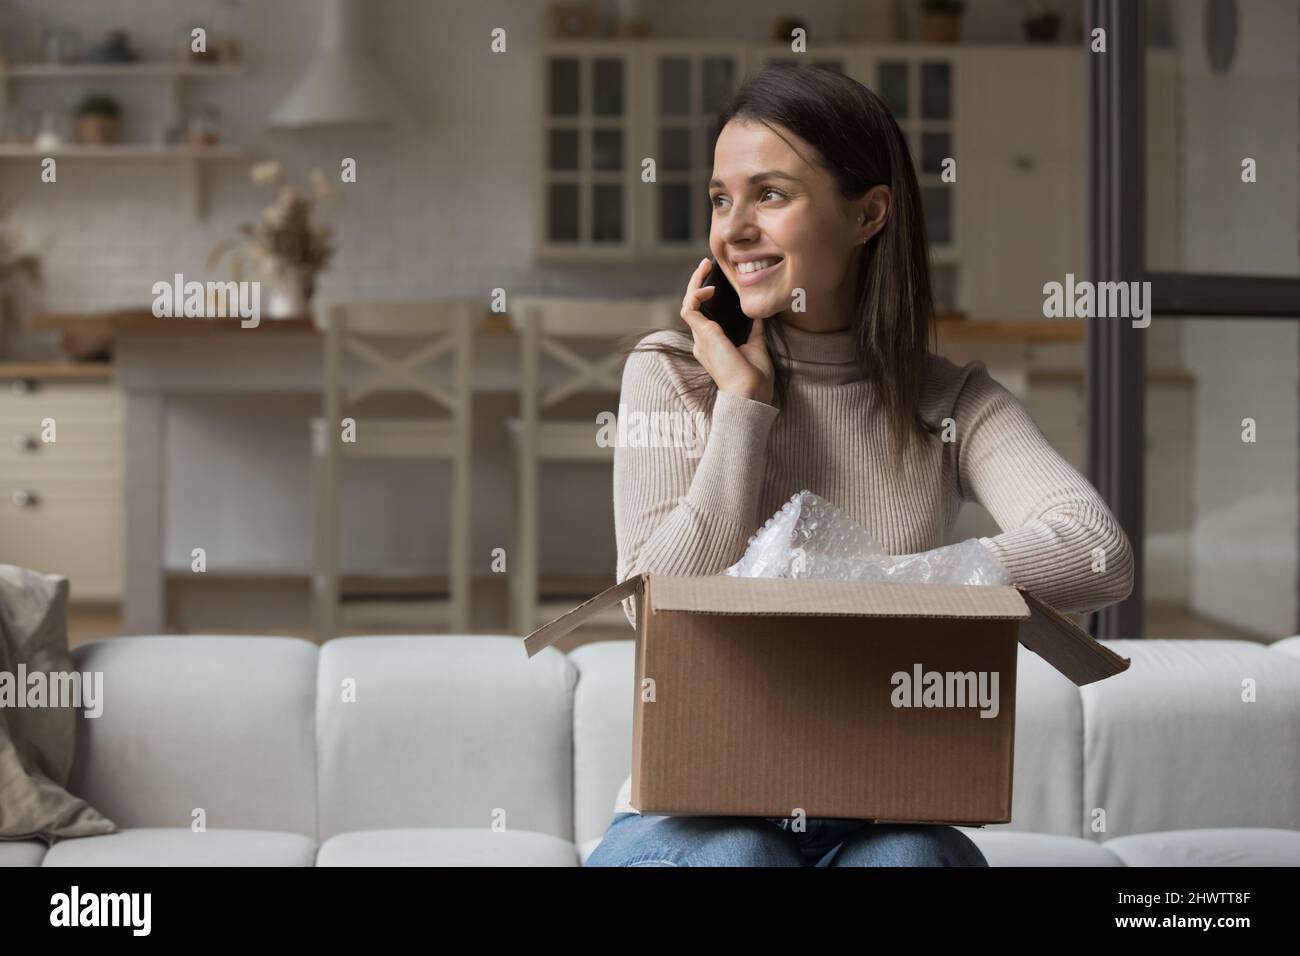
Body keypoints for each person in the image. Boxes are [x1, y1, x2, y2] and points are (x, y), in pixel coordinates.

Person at [584, 64, 1134, 867]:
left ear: (868, 212)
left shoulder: (951, 403)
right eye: (719, 198)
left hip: (882, 803)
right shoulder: (674, 372)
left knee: (917, 862)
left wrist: (870, 585)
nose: (731, 229)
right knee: (740, 856)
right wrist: (745, 405)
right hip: (697, 808)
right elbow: (653, 604)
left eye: (769, 195)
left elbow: (1097, 552)